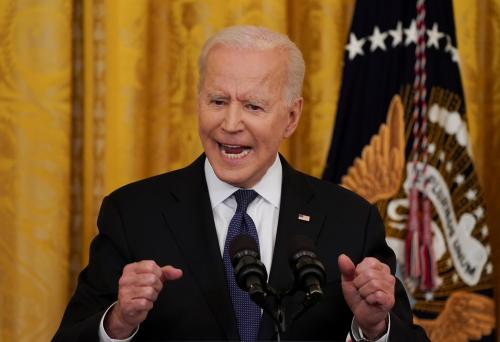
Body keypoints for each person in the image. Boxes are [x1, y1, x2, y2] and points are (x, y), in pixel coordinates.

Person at [53, 25, 429, 342]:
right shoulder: (133, 214)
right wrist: (118, 323)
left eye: (253, 106)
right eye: (217, 101)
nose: (230, 124)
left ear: (292, 117)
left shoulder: (351, 219)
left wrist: (374, 328)